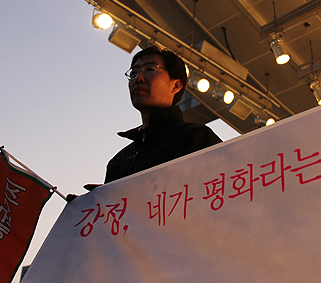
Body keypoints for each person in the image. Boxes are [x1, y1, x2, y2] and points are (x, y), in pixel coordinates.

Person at [66, 46, 222, 202]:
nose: (138, 78)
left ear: (176, 86)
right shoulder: (119, 161)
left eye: (150, 69)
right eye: (133, 72)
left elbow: (217, 197)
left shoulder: (196, 138)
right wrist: (93, 205)